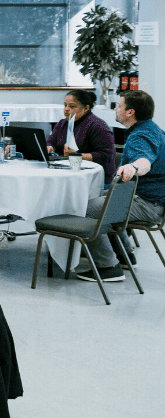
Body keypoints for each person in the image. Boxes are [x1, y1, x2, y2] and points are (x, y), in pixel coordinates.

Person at [81, 91, 165, 282]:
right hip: (150, 200)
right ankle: (125, 255)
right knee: (100, 198)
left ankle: (108, 267)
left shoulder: (140, 137)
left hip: (147, 204)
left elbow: (145, 161)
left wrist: (133, 166)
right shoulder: (152, 129)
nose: (116, 109)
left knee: (85, 208)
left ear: (130, 112)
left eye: (119, 106)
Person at [46, 90, 116, 183]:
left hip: (94, 178)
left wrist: (76, 155)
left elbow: (105, 156)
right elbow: (51, 142)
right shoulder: (62, 123)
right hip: (68, 173)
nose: (66, 109)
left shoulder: (98, 126)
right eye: (65, 105)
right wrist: (49, 148)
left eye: (72, 106)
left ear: (86, 108)